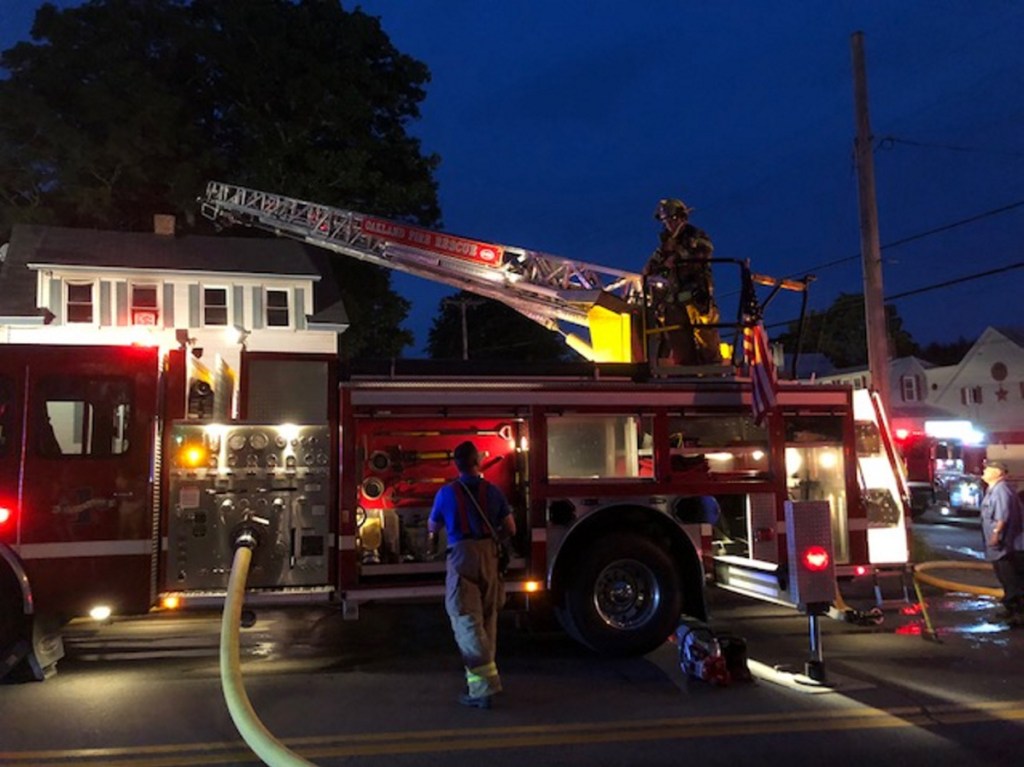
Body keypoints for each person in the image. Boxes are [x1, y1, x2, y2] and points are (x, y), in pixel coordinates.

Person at [428, 440, 516, 708]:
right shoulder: (493, 491)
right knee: (488, 620)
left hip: (461, 555)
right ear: (478, 462)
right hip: (490, 555)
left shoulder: (445, 493)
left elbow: (433, 527)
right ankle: (485, 683)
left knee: (467, 621)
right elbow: (510, 528)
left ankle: (483, 689)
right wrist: (493, 543)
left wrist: (431, 548)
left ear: (456, 465)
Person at [643, 198, 722, 366]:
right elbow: (655, 262)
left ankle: (713, 368)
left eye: (671, 219)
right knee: (677, 334)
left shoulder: (696, 235)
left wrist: (677, 257)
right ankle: (686, 367)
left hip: (696, 293)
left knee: (704, 332)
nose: (669, 224)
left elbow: (705, 251)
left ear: (681, 218)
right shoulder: (666, 242)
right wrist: (651, 267)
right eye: (665, 221)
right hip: (675, 296)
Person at [979, 459, 1024, 627]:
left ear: (997, 472)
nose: (984, 472)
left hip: (1005, 546)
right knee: (1007, 579)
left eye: (988, 469)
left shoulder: (1001, 490)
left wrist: (996, 535)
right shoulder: (994, 489)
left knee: (1011, 579)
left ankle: (1017, 614)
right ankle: (1012, 610)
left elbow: (1002, 516)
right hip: (1000, 546)